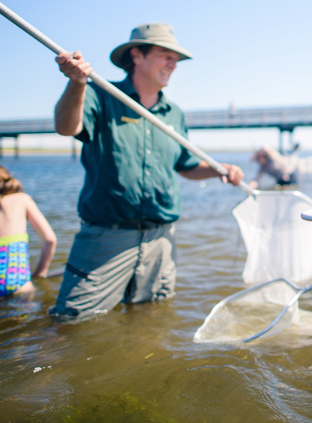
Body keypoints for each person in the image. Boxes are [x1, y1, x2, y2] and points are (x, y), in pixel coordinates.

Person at [50, 23, 244, 322]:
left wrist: (221, 169)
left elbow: (185, 165)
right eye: (166, 55)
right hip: (106, 237)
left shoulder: (174, 113)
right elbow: (66, 128)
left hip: (161, 239)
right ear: (136, 56)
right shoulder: (99, 94)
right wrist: (76, 83)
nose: (173, 64)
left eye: (176, 59)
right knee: (71, 323)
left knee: (152, 321)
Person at [0, 164, 57, 298]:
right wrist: (40, 272)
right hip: (15, 280)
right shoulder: (21, 199)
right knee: (24, 316)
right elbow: (50, 240)